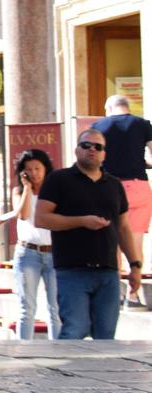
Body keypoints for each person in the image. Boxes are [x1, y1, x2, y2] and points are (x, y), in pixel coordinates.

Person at [36, 133, 142, 339]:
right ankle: (64, 372)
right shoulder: (59, 179)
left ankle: (98, 372)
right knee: (75, 329)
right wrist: (82, 221)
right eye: (86, 145)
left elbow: (124, 228)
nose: (92, 150)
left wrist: (135, 265)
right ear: (77, 150)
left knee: (106, 335)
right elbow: (41, 219)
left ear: (104, 154)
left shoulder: (114, 184)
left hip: (108, 270)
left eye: (98, 147)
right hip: (72, 269)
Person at [0, 149, 58, 340]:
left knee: (55, 307)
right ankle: (24, 348)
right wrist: (27, 188)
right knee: (27, 307)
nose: (34, 173)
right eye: (29, 170)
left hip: (54, 252)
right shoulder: (19, 191)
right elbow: (23, 214)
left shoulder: (55, 190)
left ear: (45, 168)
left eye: (38, 168)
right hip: (28, 253)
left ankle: (61, 347)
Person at [91, 95, 151, 269]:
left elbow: (93, 160)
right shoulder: (142, 124)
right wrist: (142, 163)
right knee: (136, 240)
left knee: (113, 240)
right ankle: (134, 292)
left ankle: (115, 286)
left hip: (110, 187)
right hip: (139, 186)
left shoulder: (98, 127)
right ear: (127, 107)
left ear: (108, 109)